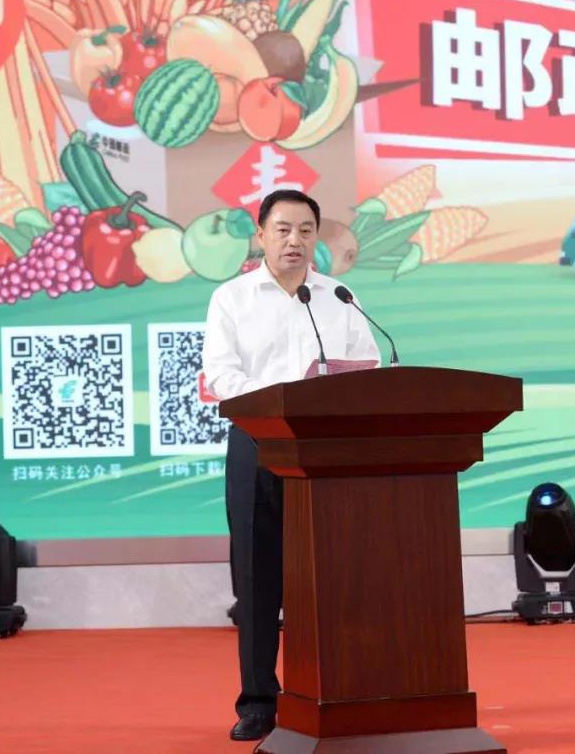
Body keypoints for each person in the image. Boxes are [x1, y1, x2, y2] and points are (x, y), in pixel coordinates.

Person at [201, 190, 381, 741]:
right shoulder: (232, 298)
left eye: (305, 230)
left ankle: (334, 691)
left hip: (326, 454)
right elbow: (222, 375)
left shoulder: (339, 297)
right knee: (257, 580)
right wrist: (283, 402)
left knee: (331, 579)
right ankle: (258, 701)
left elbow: (368, 364)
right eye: (282, 229)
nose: (294, 241)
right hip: (259, 446)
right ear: (260, 235)